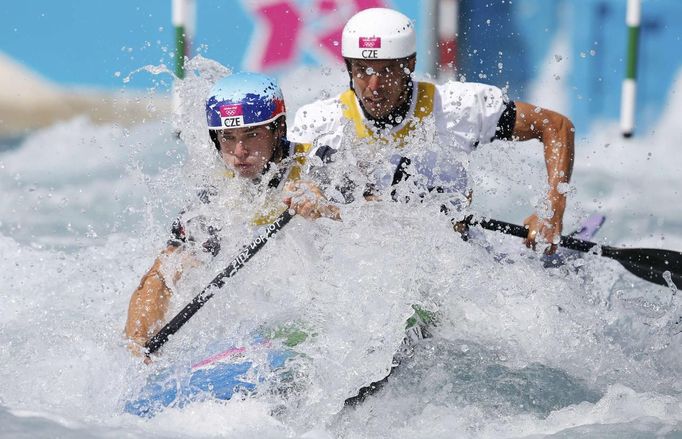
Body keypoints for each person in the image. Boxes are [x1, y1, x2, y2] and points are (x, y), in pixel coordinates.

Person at [288, 7, 575, 253]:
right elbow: (277, 193)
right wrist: (304, 195)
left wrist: (553, 209)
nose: (373, 87)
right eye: (363, 70)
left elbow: (555, 125)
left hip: (453, 259)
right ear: (348, 67)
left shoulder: (457, 107)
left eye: (385, 71)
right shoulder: (317, 121)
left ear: (409, 64)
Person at [124, 72, 336, 357]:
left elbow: (373, 211)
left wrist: (325, 206)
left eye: (251, 135)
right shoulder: (215, 198)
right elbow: (163, 275)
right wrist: (138, 337)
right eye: (228, 137)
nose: (239, 152)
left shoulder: (320, 161)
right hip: (275, 320)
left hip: (332, 307)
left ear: (279, 129)